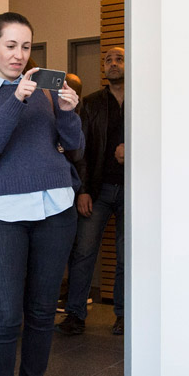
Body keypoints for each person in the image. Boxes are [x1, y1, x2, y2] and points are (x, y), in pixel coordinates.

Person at [0, 14, 82, 376]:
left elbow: (75, 147)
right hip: (3, 214)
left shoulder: (46, 92)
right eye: (10, 46)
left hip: (56, 208)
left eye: (26, 47)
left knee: (43, 312)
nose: (19, 55)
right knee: (6, 316)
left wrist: (67, 111)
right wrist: (15, 100)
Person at [58, 46, 125, 336]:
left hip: (134, 191)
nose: (113, 64)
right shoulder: (92, 103)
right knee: (83, 251)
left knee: (126, 255)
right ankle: (75, 314)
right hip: (97, 189)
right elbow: (80, 149)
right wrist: (82, 190)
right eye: (108, 60)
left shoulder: (144, 100)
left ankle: (124, 315)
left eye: (119, 59)